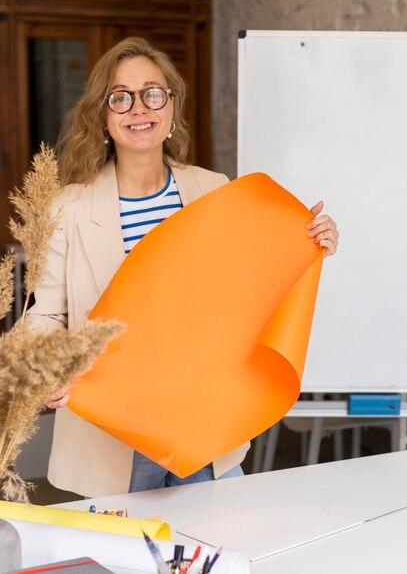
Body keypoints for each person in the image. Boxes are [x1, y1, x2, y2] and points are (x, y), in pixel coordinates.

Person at [29, 36, 339, 498]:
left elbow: (253, 290)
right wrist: (48, 365)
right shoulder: (68, 209)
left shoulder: (215, 190)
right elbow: (44, 314)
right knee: (129, 564)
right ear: (103, 117)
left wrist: (311, 242)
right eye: (121, 98)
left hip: (204, 421)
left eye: (153, 93)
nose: (140, 108)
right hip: (114, 433)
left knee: (220, 556)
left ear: (171, 107)